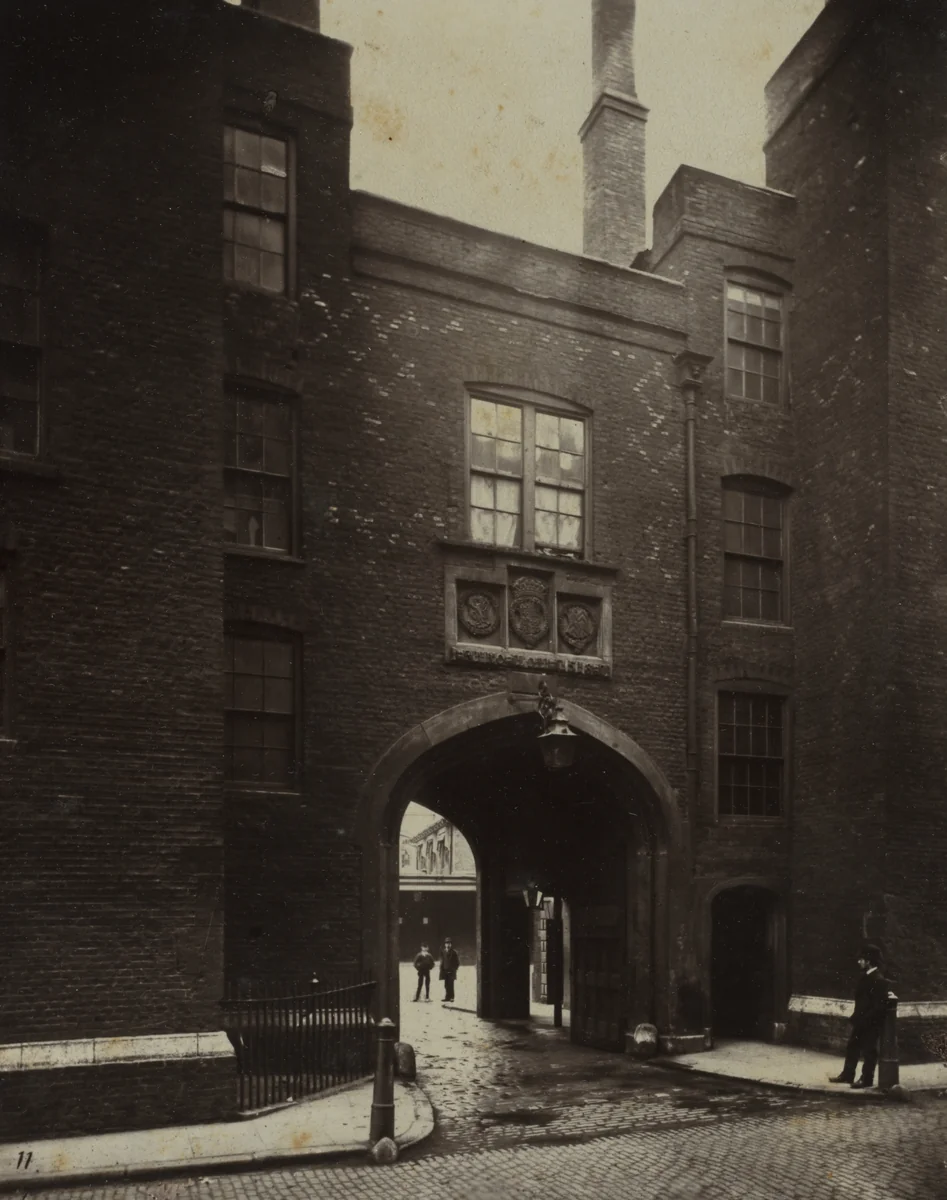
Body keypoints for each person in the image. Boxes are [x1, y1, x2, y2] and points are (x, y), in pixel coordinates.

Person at [829, 944, 891, 1089]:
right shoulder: (866, 977)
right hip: (861, 1021)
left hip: (870, 1022)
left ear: (869, 961)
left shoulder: (879, 980)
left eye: (861, 959)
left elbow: (878, 1007)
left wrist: (865, 1019)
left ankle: (866, 1079)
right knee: (852, 1047)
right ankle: (847, 1074)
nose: (859, 962)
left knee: (869, 1050)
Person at [439, 937, 460, 1003]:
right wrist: (442, 969)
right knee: (446, 985)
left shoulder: (454, 952)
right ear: (445, 944)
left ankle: (452, 997)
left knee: (451, 984)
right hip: (445, 971)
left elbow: (457, 962)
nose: (448, 945)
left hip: (451, 971)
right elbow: (442, 961)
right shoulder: (443, 951)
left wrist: (454, 969)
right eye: (447, 943)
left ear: (451, 944)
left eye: (449, 943)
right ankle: (447, 997)